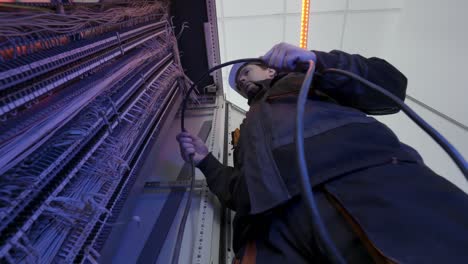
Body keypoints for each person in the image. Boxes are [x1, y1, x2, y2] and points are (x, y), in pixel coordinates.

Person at [176, 42, 468, 263]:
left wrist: (318, 61)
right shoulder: (245, 133)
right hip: (268, 230)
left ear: (270, 69)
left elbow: (389, 85)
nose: (241, 81)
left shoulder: (308, 79)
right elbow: (240, 191)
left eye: (246, 71)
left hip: (362, 182)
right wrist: (206, 161)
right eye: (238, 84)